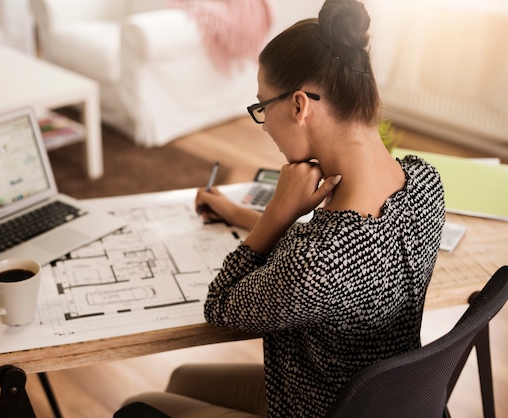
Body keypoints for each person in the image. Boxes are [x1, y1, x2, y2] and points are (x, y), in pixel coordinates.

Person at [120, 0, 445, 416]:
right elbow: (335, 253)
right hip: (372, 401)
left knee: (137, 405)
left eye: (262, 107)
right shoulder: (424, 182)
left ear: (298, 106)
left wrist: (277, 212)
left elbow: (221, 306)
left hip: (309, 407)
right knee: (183, 380)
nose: (264, 123)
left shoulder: (321, 262)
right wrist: (242, 214)